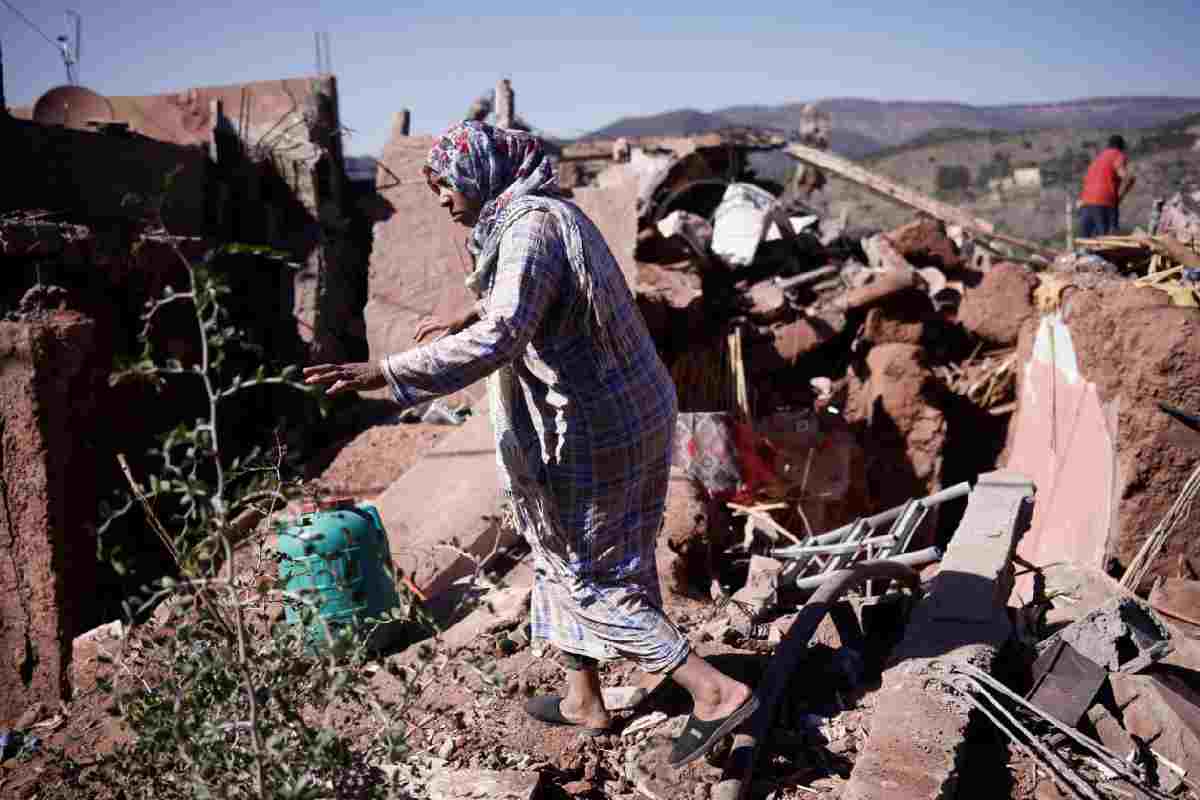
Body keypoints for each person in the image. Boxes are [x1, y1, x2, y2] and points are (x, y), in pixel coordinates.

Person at [303, 121, 756, 767]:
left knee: (592, 573)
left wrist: (389, 371)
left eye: (445, 183)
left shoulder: (531, 227)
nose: (440, 197)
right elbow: (528, 300)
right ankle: (583, 698)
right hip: (613, 411)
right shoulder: (531, 216)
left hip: (601, 425)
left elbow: (503, 336)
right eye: (432, 186)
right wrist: (471, 314)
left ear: (483, 170)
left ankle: (713, 691)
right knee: (555, 550)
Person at [1077, 134, 1136, 238]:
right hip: (1104, 203)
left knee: (1086, 243)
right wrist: (1120, 197)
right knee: (1107, 242)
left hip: (1086, 203)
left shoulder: (1098, 159)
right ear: (1122, 147)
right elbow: (1126, 177)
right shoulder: (1117, 155)